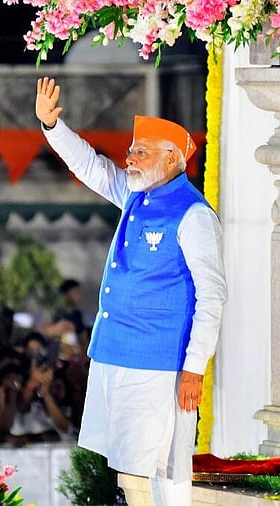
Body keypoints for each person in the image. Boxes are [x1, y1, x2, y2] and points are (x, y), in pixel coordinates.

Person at [36, 76, 227, 505]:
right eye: (131, 151)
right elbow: (91, 166)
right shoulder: (136, 195)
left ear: (173, 158)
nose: (130, 159)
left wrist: (195, 366)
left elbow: (212, 295)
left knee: (150, 470)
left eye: (142, 152)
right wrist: (52, 127)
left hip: (157, 360)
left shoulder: (193, 214)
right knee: (129, 467)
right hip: (113, 351)